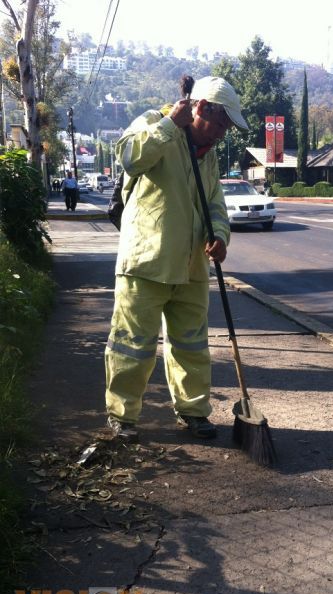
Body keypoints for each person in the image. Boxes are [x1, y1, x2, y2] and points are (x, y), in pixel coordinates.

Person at [105, 76, 248, 442]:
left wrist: (220, 235)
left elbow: (215, 203)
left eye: (227, 128)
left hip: (192, 266)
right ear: (200, 108)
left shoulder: (210, 155)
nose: (222, 134)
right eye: (220, 124)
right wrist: (170, 127)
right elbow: (128, 157)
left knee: (192, 346)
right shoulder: (155, 122)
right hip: (146, 261)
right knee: (132, 345)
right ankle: (123, 416)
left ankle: (194, 411)